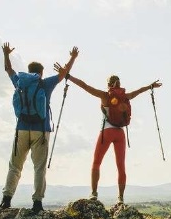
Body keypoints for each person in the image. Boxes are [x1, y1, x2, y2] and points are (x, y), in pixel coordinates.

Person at [54, 63, 161, 204]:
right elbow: (140, 91)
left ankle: (93, 194)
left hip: (107, 131)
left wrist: (67, 76)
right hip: (120, 133)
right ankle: (121, 199)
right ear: (119, 84)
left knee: (97, 162)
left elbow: (85, 86)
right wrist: (151, 86)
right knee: (121, 166)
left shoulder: (104, 95)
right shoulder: (126, 96)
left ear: (109, 85)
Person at [0, 43, 79, 213]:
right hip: (41, 130)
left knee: (15, 166)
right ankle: (37, 203)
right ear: (40, 73)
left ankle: (6, 199)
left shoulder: (20, 82)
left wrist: (6, 54)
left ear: (29, 71)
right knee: (39, 167)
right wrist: (72, 57)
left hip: (21, 128)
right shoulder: (45, 84)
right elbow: (63, 74)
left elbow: (8, 69)